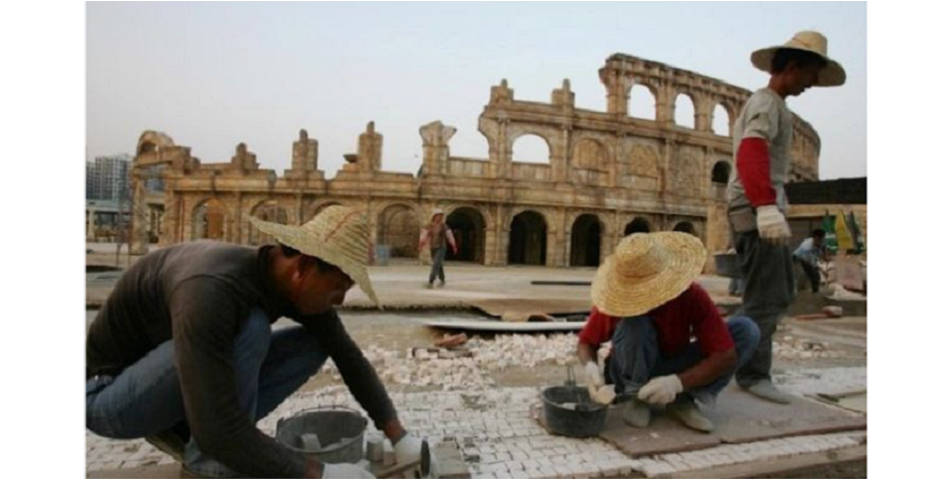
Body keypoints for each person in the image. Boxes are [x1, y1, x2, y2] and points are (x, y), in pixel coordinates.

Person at [86, 206, 427, 478]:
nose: (338, 300)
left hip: (180, 391)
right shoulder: (212, 289)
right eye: (338, 288)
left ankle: (186, 430)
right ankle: (205, 465)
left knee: (315, 343)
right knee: (251, 327)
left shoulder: (289, 283)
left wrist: (399, 436)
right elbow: (218, 431)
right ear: (304, 267)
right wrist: (318, 473)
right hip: (108, 397)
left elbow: (348, 356)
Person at [726, 31, 846, 404]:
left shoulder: (773, 105)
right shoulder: (767, 103)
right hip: (753, 208)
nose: (812, 84)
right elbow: (751, 151)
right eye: (811, 75)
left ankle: (727, 358)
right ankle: (748, 372)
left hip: (758, 206)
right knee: (766, 297)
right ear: (792, 68)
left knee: (775, 293)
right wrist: (763, 206)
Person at [577, 233, 760, 433]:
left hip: (674, 365)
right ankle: (635, 397)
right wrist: (590, 366)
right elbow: (586, 342)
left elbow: (724, 354)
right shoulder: (617, 300)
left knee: (746, 331)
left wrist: (678, 383)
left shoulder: (690, 295)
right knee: (634, 322)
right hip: (630, 369)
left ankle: (684, 398)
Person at [419, 208, 458, 288]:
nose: (440, 217)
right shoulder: (429, 226)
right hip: (433, 247)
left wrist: (453, 245)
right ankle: (442, 279)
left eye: (441, 216)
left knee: (436, 263)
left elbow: (449, 235)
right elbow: (424, 235)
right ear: (434, 216)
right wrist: (421, 244)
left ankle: (431, 281)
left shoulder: (444, 226)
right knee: (438, 264)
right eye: (438, 216)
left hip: (441, 247)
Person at [793, 229, 828, 293]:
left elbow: (823, 247)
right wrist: (822, 270)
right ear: (815, 238)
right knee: (805, 274)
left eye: (822, 239)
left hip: (809, 258)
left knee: (815, 276)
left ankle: (815, 291)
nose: (821, 242)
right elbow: (811, 263)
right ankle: (799, 292)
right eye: (819, 240)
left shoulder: (821, 240)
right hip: (799, 258)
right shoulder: (806, 248)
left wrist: (825, 256)